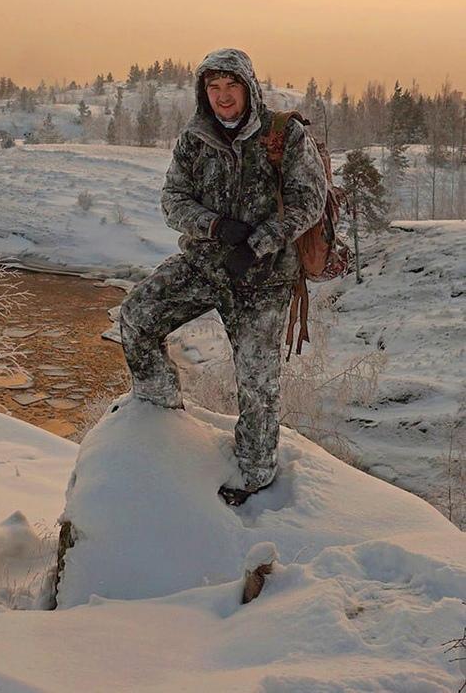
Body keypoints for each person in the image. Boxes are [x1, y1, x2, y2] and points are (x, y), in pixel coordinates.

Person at [119, 47, 328, 505]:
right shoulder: (194, 138)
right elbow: (173, 200)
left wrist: (255, 245)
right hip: (204, 265)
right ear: (203, 92)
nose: (222, 96)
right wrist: (215, 227)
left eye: (230, 86)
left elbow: (309, 201)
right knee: (136, 317)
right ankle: (160, 412)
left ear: (248, 87)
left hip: (264, 278)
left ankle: (254, 476)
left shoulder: (283, 135)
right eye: (213, 88)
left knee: (257, 381)